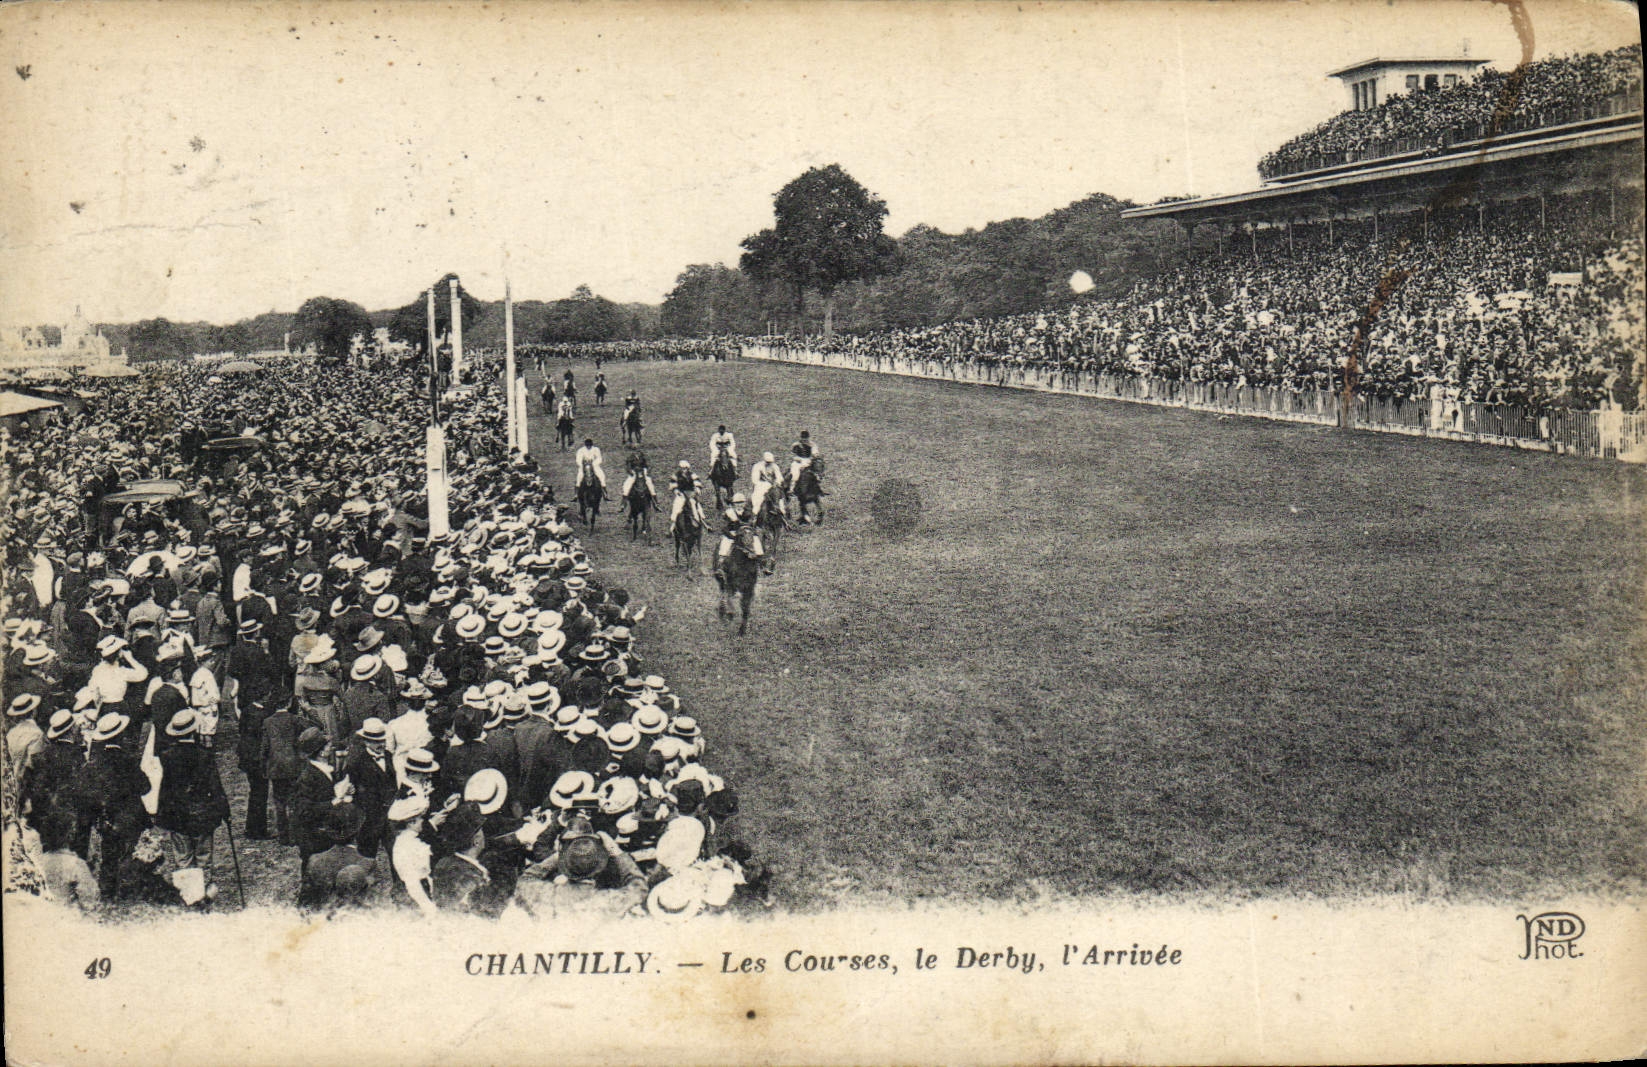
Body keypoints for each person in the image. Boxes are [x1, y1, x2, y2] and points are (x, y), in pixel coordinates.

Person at [153, 710, 230, 884]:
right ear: (194, 730)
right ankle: (204, 892)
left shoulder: (167, 756)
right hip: (202, 814)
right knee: (204, 858)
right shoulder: (204, 754)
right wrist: (224, 810)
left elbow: (165, 787)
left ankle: (188, 892)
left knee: (183, 859)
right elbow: (215, 785)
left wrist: (162, 814)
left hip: (177, 815)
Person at [713, 493, 760, 581]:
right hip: (733, 533)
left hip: (746, 533)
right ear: (733, 504)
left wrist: (752, 531)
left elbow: (753, 525)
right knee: (725, 545)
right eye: (737, 503)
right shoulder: (729, 513)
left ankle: (761, 565)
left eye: (741, 502)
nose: (739, 505)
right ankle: (721, 567)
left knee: (757, 542)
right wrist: (731, 535)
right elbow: (724, 527)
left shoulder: (749, 513)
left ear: (744, 503)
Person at [669, 461, 706, 528]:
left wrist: (697, 490)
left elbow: (697, 483)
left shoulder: (692, 475)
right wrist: (677, 491)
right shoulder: (676, 475)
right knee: (677, 505)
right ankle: (673, 523)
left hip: (691, 493)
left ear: (688, 468)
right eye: (682, 468)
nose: (683, 470)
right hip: (681, 494)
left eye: (685, 468)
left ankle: (700, 519)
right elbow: (673, 485)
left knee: (695, 504)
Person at [749, 452, 784, 517]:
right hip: (761, 485)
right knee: (758, 497)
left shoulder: (774, 466)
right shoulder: (757, 466)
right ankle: (755, 513)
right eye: (767, 462)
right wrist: (763, 485)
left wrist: (776, 482)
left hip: (772, 485)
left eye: (770, 462)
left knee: (779, 495)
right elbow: (755, 480)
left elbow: (779, 477)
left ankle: (781, 510)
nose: (769, 464)